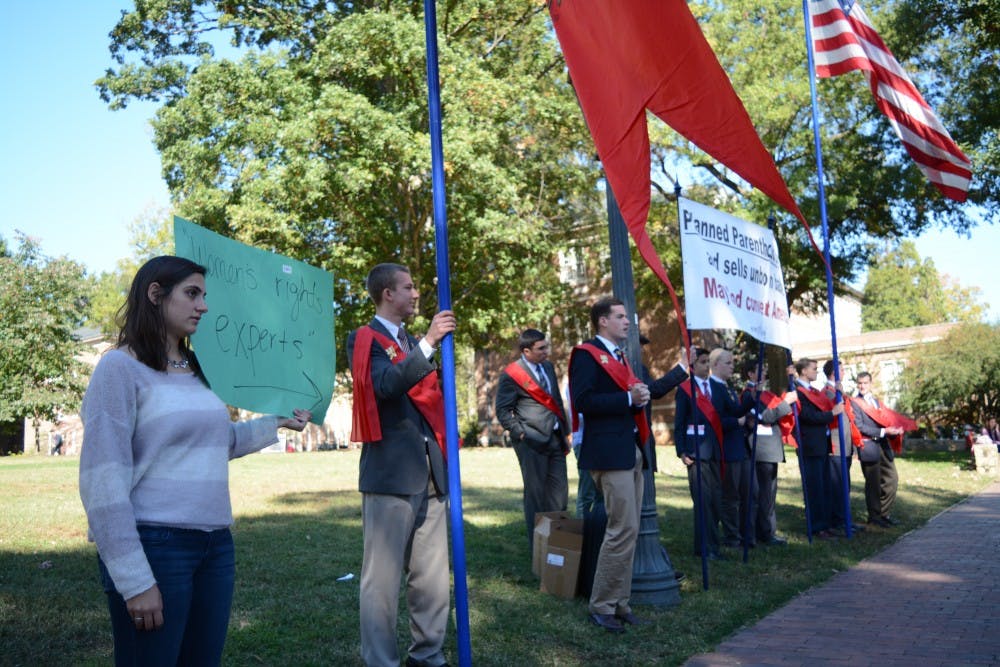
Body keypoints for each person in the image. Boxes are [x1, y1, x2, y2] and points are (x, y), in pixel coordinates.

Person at [78, 256, 311, 667]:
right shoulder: (119, 368)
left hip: (216, 546)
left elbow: (215, 442)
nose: (203, 305)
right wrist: (134, 581)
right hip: (156, 547)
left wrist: (277, 422)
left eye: (203, 295)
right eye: (192, 293)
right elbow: (102, 482)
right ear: (155, 294)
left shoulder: (198, 370)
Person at [347, 262, 455, 667]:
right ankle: (381, 661)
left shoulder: (412, 340)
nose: (416, 294)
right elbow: (386, 386)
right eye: (408, 288)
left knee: (430, 578)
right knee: (382, 581)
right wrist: (428, 342)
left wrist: (424, 344)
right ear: (387, 293)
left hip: (430, 470)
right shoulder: (363, 339)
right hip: (390, 475)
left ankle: (427, 653)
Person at [569, 297, 687, 633]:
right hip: (608, 453)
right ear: (602, 321)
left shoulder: (620, 357)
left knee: (629, 530)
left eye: (627, 316)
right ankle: (602, 605)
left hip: (629, 450)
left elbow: (640, 393)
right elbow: (583, 402)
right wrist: (627, 399)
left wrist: (676, 374)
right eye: (620, 317)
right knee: (620, 530)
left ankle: (619, 603)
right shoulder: (587, 354)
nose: (627, 322)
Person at [495, 329, 569, 548]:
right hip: (531, 443)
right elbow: (503, 410)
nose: (546, 352)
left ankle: (558, 549)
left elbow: (554, 398)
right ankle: (539, 550)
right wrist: (520, 432)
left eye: (546, 347)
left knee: (559, 496)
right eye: (541, 349)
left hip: (555, 439)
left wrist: (564, 429)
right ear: (526, 351)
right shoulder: (511, 374)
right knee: (536, 497)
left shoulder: (548, 367)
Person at [674, 348, 726, 559]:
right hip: (696, 453)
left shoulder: (714, 387)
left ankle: (715, 545)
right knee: (703, 503)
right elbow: (679, 423)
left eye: (707, 362)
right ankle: (704, 548)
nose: (707, 365)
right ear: (693, 366)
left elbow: (729, 411)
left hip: (714, 451)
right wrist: (681, 451)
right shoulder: (685, 389)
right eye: (703, 362)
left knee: (715, 501)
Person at [741, 360, 797, 547]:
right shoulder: (749, 394)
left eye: (764, 370)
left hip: (770, 447)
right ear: (749, 374)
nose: (764, 373)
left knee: (769, 494)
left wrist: (792, 381)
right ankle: (764, 533)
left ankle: (768, 531)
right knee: (763, 494)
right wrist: (786, 404)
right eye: (759, 371)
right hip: (761, 449)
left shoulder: (766, 394)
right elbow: (765, 417)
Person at [793, 358, 844, 539]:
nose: (817, 371)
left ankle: (826, 523)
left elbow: (827, 406)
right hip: (809, 445)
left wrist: (838, 394)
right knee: (814, 488)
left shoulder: (814, 391)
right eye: (814, 369)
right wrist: (832, 414)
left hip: (821, 444)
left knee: (824, 486)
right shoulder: (797, 392)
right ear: (804, 371)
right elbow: (807, 416)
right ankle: (816, 526)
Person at [709, 349, 753, 549]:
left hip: (739, 448)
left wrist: (751, 398)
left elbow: (736, 410)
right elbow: (716, 420)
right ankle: (732, 537)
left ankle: (745, 535)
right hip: (727, 449)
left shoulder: (727, 387)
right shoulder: (713, 388)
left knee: (746, 494)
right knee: (730, 496)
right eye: (728, 363)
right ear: (716, 364)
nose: (732, 366)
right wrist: (736, 421)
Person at [851, 372, 906, 528]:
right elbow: (860, 426)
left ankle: (884, 513)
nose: (862, 386)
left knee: (892, 479)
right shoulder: (855, 403)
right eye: (860, 383)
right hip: (869, 446)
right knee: (873, 484)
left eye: (865, 383)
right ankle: (875, 517)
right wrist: (883, 432)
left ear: (871, 384)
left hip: (883, 445)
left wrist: (893, 429)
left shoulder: (876, 402)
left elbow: (885, 421)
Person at [822, 360, 864, 535]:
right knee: (837, 485)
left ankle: (845, 517)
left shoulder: (839, 392)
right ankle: (837, 519)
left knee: (845, 485)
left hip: (845, 444)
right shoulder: (828, 392)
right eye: (841, 368)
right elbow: (830, 411)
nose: (844, 371)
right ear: (833, 372)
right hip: (836, 445)